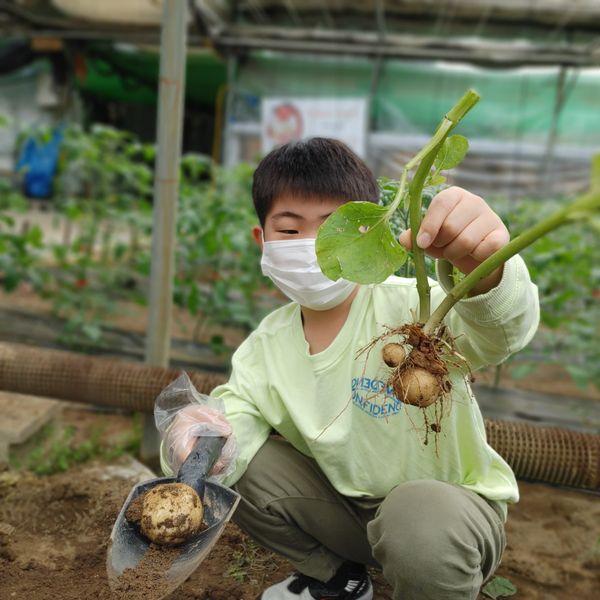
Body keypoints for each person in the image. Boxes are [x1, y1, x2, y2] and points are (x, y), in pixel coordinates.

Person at [159, 138, 540, 600]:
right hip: (349, 517)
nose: (313, 246)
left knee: (416, 516)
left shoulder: (412, 307)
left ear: (371, 232)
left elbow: (499, 332)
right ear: (262, 240)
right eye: (290, 230)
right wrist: (198, 436)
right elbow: (235, 409)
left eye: (332, 226)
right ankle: (339, 578)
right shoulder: (268, 342)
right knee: (235, 456)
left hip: (448, 518)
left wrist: (486, 269)